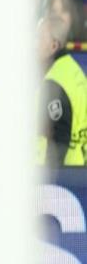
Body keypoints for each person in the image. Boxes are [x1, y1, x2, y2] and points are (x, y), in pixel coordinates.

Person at [37, 14, 87, 166]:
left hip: (63, 174)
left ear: (53, 46)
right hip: (80, 168)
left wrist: (51, 177)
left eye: (40, 37)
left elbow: (58, 142)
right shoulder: (75, 72)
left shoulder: (55, 81)